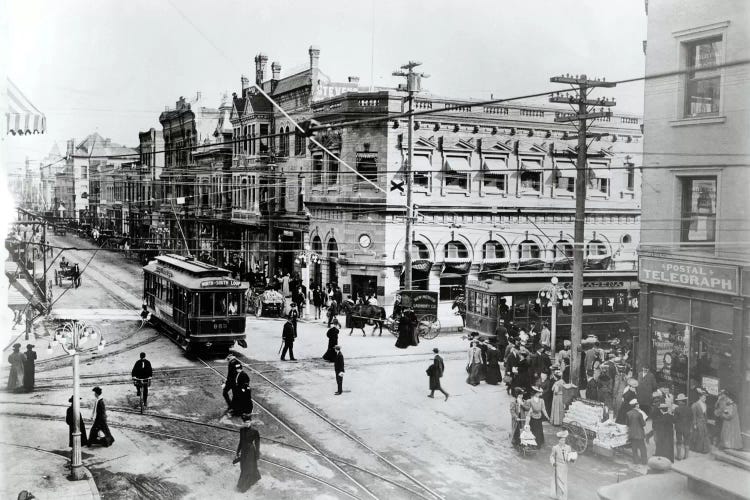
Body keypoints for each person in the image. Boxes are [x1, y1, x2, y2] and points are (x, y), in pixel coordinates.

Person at [235, 414, 261, 492]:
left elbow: (257, 443)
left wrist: (257, 454)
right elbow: (241, 441)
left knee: (247, 468)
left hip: (250, 451)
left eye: (248, 422)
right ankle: (253, 479)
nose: (247, 424)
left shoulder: (255, 431)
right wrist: (237, 451)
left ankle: (244, 487)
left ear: (250, 422)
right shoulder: (242, 430)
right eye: (245, 422)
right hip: (243, 451)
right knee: (243, 467)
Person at [550, 429, 576, 500]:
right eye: (561, 440)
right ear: (558, 440)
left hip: (565, 467)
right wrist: (553, 462)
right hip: (558, 466)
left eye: (564, 440)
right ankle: (559, 496)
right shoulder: (555, 448)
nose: (563, 442)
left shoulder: (568, 447)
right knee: (558, 481)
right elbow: (551, 456)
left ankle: (563, 495)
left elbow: (569, 456)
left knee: (564, 481)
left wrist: (572, 459)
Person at [690, 388, 711, 453]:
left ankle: (704, 449)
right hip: (698, 422)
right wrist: (695, 424)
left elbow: (705, 415)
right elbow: (694, 416)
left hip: (703, 422)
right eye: (704, 397)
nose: (705, 399)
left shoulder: (705, 404)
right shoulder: (695, 405)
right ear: (700, 397)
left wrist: (706, 421)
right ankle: (697, 449)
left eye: (705, 397)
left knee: (704, 435)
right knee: (698, 435)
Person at [673, 393, 692, 460]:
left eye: (678, 401)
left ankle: (679, 456)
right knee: (686, 441)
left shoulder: (677, 409)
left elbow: (674, 420)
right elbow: (691, 419)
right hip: (687, 427)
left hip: (679, 428)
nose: (677, 402)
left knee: (679, 441)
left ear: (680, 401)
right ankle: (686, 456)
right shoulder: (689, 408)